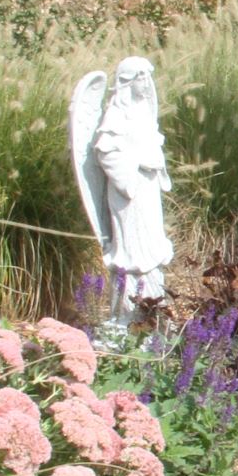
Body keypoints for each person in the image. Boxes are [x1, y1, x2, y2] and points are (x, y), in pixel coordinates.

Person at [91, 57, 172, 300]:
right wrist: (136, 165)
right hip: (130, 191)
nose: (146, 82)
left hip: (149, 188)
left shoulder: (144, 110)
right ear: (127, 81)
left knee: (152, 242)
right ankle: (129, 307)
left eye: (148, 76)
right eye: (140, 77)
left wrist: (155, 162)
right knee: (133, 248)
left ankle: (153, 303)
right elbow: (106, 152)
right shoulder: (117, 114)